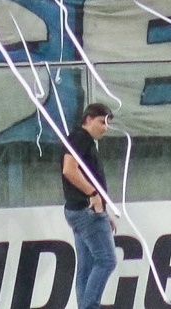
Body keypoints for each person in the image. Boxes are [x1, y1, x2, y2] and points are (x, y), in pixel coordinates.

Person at [62, 102, 119, 309]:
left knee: (86, 267)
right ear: (88, 119)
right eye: (102, 122)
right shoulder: (81, 138)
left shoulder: (78, 139)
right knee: (106, 261)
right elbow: (69, 170)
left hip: (79, 210)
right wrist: (93, 195)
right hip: (87, 211)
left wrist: (102, 207)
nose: (105, 127)